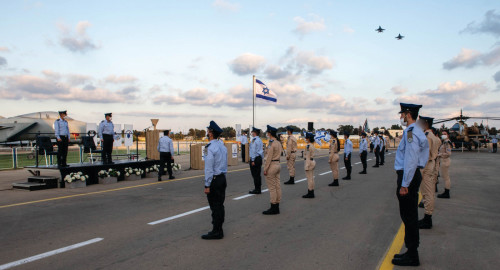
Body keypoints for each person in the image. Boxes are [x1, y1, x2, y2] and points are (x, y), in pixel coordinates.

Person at [392, 103, 428, 267]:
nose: (400, 117)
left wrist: (405, 184)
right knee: (410, 216)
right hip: (413, 175)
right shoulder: (418, 132)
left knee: (409, 216)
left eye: (402, 114)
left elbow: (411, 159)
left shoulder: (411, 132)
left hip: (409, 177)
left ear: (407, 114)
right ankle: (411, 252)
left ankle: (412, 255)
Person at [202, 120, 227, 240]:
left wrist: (207, 185)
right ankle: (219, 229)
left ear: (211, 133)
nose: (207, 133)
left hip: (214, 180)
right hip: (222, 178)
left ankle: (216, 231)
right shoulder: (222, 146)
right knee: (220, 205)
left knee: (215, 207)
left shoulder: (209, 148)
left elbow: (208, 168)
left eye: (208, 131)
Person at [417, 116, 440, 230]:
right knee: (428, 191)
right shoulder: (434, 137)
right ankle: (427, 217)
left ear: (425, 123)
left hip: (426, 165)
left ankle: (427, 219)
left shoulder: (427, 137)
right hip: (432, 163)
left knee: (427, 192)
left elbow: (424, 153)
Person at [262, 125, 282, 215]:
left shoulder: (271, 143)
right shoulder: (278, 142)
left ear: (269, 133)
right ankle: (277, 205)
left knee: (272, 188)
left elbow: (268, 157)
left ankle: (273, 206)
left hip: (272, 165)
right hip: (278, 164)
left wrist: (265, 169)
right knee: (277, 186)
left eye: (267, 132)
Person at [437, 130, 452, 199]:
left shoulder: (447, 143)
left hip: (445, 161)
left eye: (445, 134)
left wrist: (439, 154)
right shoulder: (444, 142)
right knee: (445, 177)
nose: (443, 135)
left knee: (446, 178)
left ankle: (447, 192)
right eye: (442, 134)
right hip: (443, 161)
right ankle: (446, 191)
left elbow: (448, 153)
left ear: (448, 135)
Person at [249, 128, 264, 194]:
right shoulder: (260, 140)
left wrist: (252, 160)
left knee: (255, 175)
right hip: (259, 158)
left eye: (252, 132)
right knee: (258, 174)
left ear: (254, 133)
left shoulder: (254, 140)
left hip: (255, 159)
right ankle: (258, 188)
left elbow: (253, 150)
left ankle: (257, 189)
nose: (251, 133)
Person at [302, 133, 317, 198]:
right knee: (311, 178)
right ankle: (312, 191)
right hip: (312, 161)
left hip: (309, 162)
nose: (305, 139)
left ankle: (310, 192)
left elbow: (307, 156)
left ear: (308, 138)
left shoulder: (308, 146)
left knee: (309, 179)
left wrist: (307, 166)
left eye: (306, 138)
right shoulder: (312, 145)